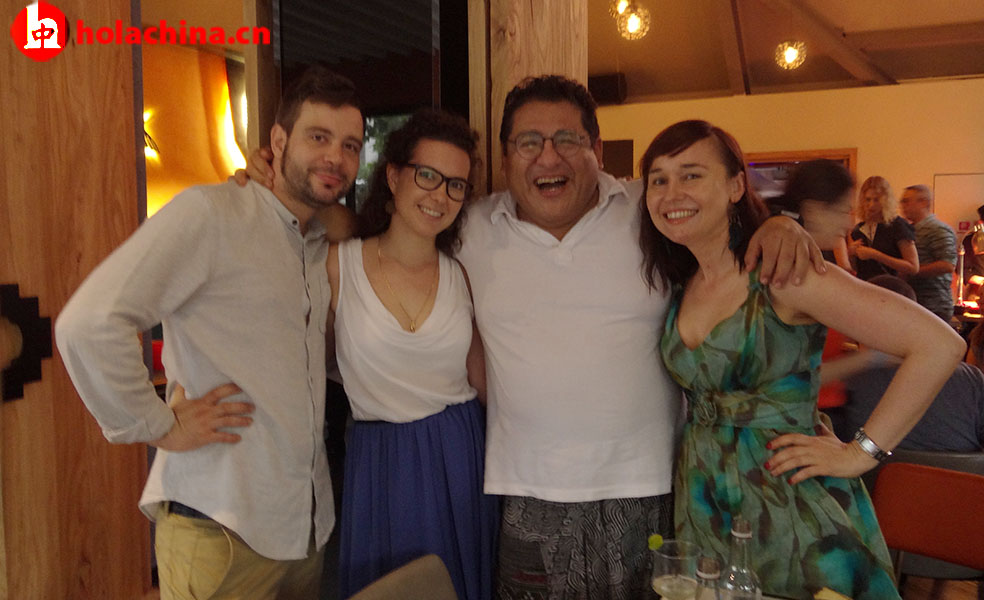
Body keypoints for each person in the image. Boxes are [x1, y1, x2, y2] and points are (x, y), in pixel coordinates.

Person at [242, 75, 824, 599]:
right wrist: (279, 191)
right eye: (528, 142)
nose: (548, 155)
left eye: (567, 139)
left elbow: (713, 220)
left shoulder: (644, 210)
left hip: (648, 485)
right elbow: (365, 229)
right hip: (525, 492)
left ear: (597, 150)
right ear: (506, 158)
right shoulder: (470, 225)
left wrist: (780, 222)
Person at [55, 66, 365, 600]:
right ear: (277, 141)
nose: (335, 157)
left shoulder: (316, 241)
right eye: (318, 137)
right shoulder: (212, 214)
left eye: (350, 145)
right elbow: (88, 322)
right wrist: (156, 425)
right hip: (218, 530)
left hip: (303, 528)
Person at [639, 119, 965, 599]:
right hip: (707, 498)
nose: (672, 193)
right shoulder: (682, 281)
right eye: (658, 180)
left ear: (735, 187)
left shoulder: (784, 273)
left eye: (691, 175)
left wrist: (860, 453)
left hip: (788, 503)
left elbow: (938, 345)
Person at [328, 109, 498, 600]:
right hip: (380, 463)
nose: (440, 196)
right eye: (427, 175)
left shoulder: (461, 274)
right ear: (394, 176)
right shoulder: (338, 265)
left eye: (456, 185)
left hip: (458, 454)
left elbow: (484, 383)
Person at [825, 275, 984, 452]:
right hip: (960, 471)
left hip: (874, 469)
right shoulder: (972, 379)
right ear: (917, 317)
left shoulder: (847, 380)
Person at [899, 184, 957, 322]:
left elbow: (947, 265)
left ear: (923, 202)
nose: (903, 206)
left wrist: (911, 270)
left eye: (907, 201)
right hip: (915, 303)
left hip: (934, 306)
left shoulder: (939, 229)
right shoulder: (907, 230)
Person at [848, 175, 919, 281]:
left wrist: (876, 255)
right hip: (865, 286)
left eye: (876, 200)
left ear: (886, 201)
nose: (871, 205)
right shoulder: (858, 229)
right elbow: (856, 268)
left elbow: (913, 267)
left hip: (890, 286)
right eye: (868, 199)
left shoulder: (897, 226)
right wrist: (851, 254)